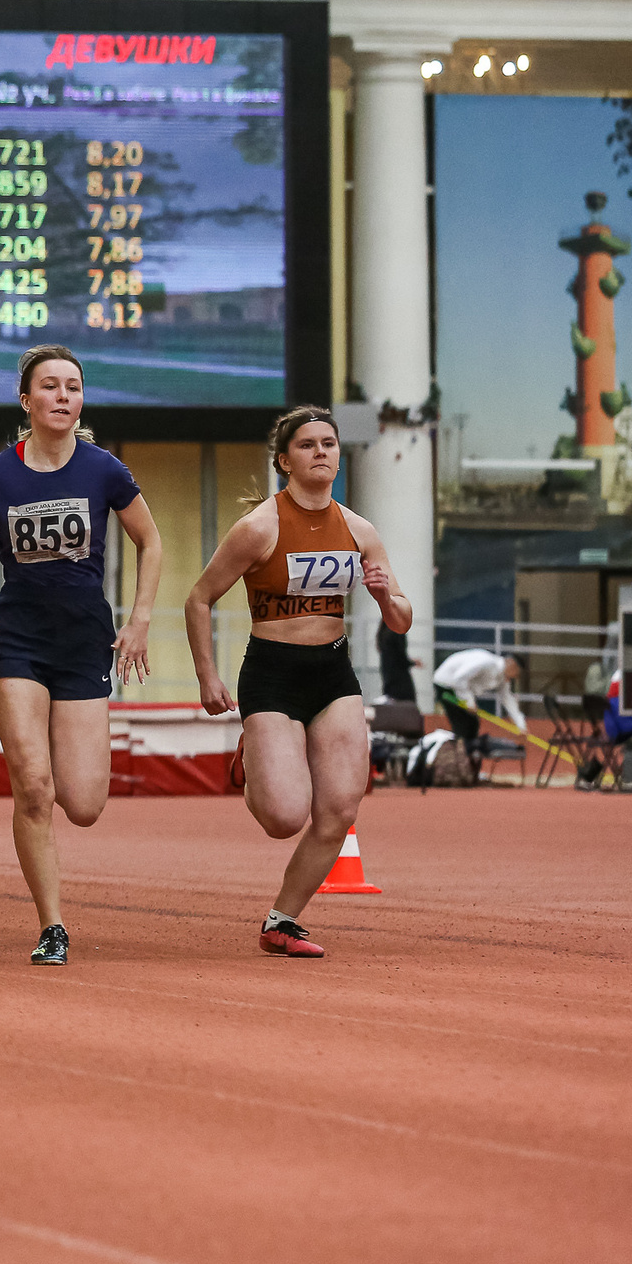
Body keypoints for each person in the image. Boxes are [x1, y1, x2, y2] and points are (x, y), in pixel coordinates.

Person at [0, 346, 164, 966]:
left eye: (74, 387)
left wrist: (139, 621)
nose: (63, 397)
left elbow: (151, 542)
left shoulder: (104, 470)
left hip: (83, 642)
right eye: (50, 387)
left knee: (85, 803)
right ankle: (52, 926)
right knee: (34, 787)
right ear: (27, 400)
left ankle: (54, 906)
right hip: (16, 639)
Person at [186, 405, 411, 961]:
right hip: (272, 672)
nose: (322, 453)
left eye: (329, 444)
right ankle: (255, 763)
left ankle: (282, 920)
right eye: (308, 445)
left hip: (333, 673)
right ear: (285, 460)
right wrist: (207, 675)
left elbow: (402, 620)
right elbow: (198, 599)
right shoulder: (259, 527)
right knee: (284, 817)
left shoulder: (360, 530)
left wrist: (383, 593)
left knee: (339, 810)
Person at [431, 647, 523, 779]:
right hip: (447, 685)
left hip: (461, 689)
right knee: (463, 726)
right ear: (511, 664)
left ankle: (470, 768)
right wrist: (468, 701)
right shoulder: (486, 663)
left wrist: (521, 726)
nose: (515, 677)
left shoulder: (502, 678)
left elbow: (507, 699)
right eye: (516, 673)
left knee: (473, 725)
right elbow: (459, 678)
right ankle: (458, 769)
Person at [374, 622, 419, 706]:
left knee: (392, 703)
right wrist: (412, 663)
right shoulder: (398, 632)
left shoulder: (383, 633)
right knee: (408, 703)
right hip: (400, 677)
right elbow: (401, 656)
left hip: (388, 675)